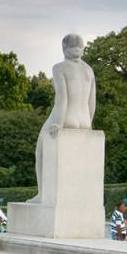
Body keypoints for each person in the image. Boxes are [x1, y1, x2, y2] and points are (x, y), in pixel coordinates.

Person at [34, 34, 97, 193]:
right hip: (84, 120)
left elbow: (62, 98)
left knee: (40, 153)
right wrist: (88, 123)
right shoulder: (89, 70)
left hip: (66, 118)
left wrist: (58, 123)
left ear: (64, 48)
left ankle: (43, 194)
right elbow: (92, 101)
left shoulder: (59, 68)